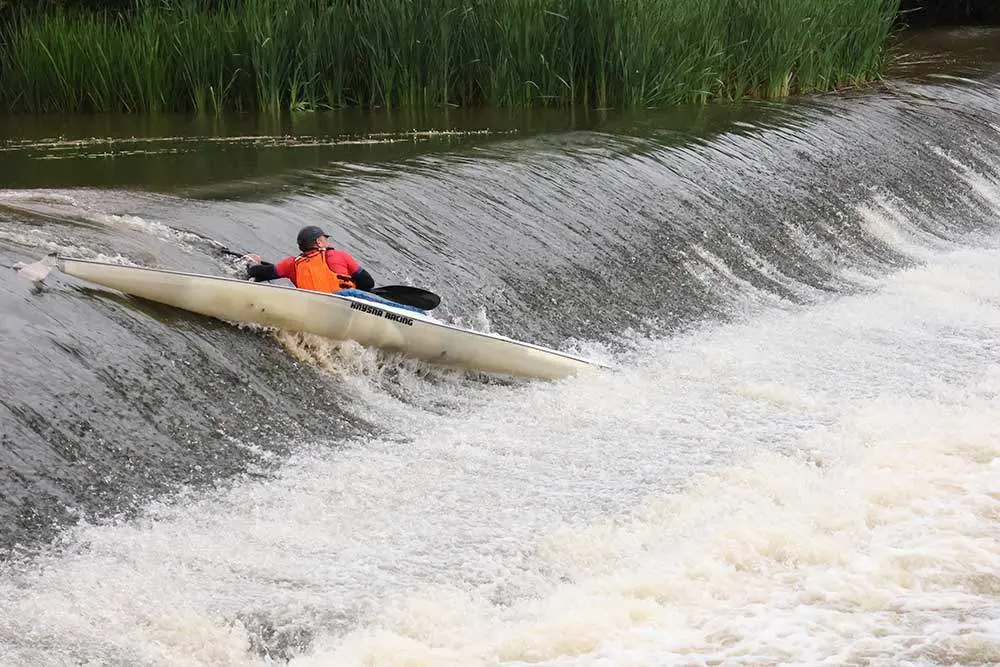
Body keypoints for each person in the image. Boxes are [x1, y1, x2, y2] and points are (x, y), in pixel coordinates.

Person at [245, 225, 375, 293]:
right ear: (319, 242)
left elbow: (265, 273)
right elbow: (368, 282)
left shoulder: (292, 264)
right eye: (325, 239)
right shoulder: (340, 255)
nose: (328, 242)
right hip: (345, 304)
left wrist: (253, 262)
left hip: (312, 307)